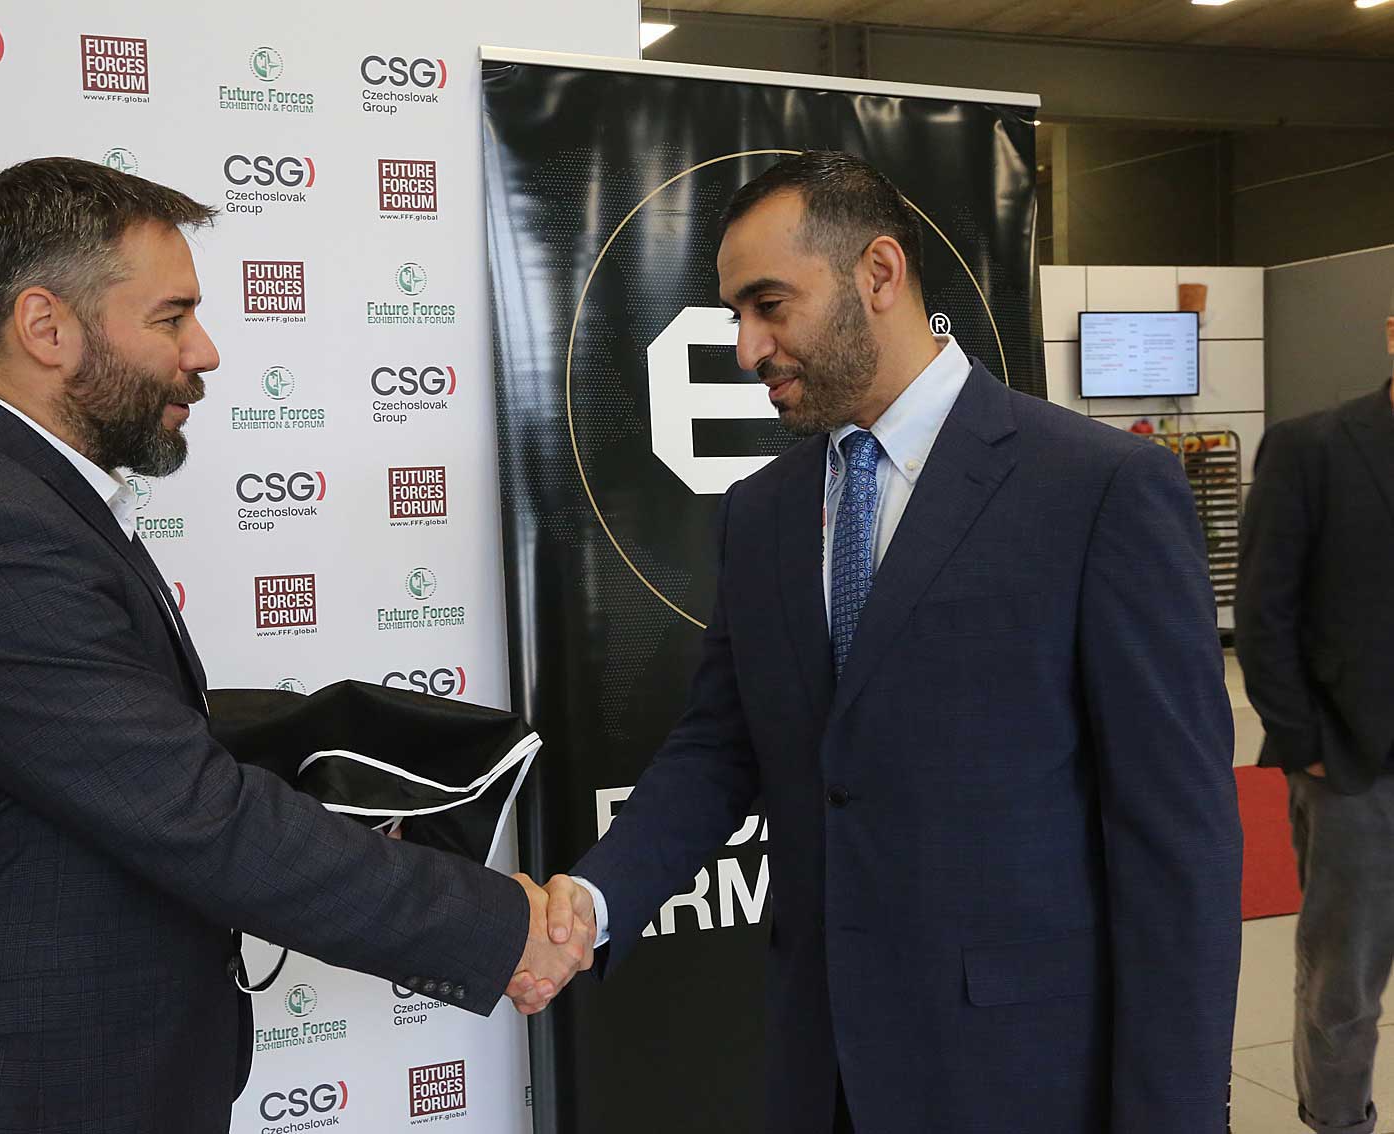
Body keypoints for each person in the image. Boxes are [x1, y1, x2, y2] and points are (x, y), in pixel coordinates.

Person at [0, 157, 586, 1134]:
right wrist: (498, 925)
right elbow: (186, 812)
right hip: (18, 1097)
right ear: (46, 328)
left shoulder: (27, 504)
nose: (207, 350)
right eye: (171, 317)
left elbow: (110, 761)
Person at [518, 151, 1242, 1133]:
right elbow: (719, 748)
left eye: (769, 305)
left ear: (880, 272)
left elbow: (1176, 843)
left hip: (1022, 1075)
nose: (747, 347)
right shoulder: (761, 513)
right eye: (735, 315)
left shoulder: (1097, 489)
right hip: (821, 1067)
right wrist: (592, 903)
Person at [1236, 299, 1394, 1134]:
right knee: (1343, 987)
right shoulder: (1312, 448)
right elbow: (1263, 611)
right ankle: (1338, 1124)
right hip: (1356, 773)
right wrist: (1306, 745)